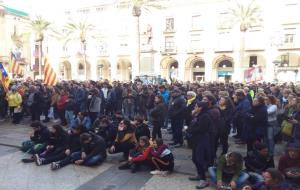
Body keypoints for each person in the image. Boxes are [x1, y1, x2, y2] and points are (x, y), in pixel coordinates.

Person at [187, 101, 212, 189]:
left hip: (202, 140)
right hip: (196, 140)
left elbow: (201, 129)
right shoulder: (198, 114)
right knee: (194, 158)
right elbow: (193, 123)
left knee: (199, 159)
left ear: (201, 108)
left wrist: (189, 130)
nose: (194, 107)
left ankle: (204, 180)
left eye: (196, 106)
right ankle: (199, 174)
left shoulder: (205, 116)